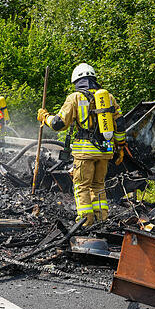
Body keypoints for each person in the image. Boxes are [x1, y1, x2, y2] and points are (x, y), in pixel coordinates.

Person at [37, 63, 126, 226]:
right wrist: (120, 146)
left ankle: (85, 221)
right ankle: (101, 219)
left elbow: (59, 124)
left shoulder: (75, 97)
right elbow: (120, 124)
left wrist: (45, 117)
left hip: (85, 152)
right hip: (105, 151)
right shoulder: (108, 97)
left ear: (76, 81)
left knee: (82, 186)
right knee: (98, 185)